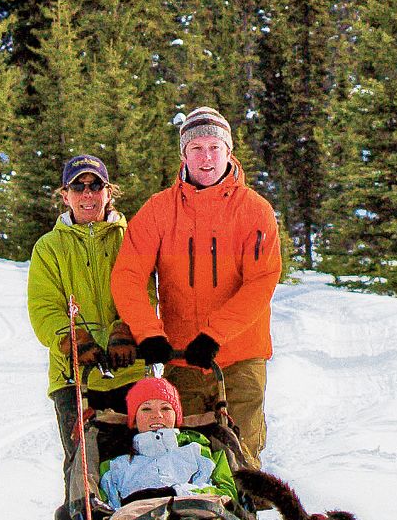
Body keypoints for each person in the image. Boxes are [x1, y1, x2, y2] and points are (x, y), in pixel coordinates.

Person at [110, 106, 282, 458]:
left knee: (242, 459)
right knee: (182, 457)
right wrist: (148, 332)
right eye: (197, 148)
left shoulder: (255, 210)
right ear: (183, 154)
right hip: (181, 356)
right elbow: (127, 276)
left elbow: (260, 284)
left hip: (241, 357)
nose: (206, 158)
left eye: (215, 148)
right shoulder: (159, 210)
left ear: (229, 152)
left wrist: (215, 334)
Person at [28, 153, 146, 520]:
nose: (88, 195)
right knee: (81, 466)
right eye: (78, 187)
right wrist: (70, 339)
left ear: (108, 191)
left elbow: (144, 287)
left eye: (95, 186)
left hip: (129, 371)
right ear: (65, 195)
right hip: (74, 377)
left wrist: (126, 328)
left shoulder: (130, 237)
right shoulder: (49, 248)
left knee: (132, 459)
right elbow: (43, 307)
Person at [97, 376, 239, 507]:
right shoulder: (116, 465)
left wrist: (177, 493)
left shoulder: (200, 451)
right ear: (134, 420)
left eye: (165, 408)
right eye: (146, 409)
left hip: (195, 517)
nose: (157, 415)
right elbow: (106, 510)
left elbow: (227, 495)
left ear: (176, 416)